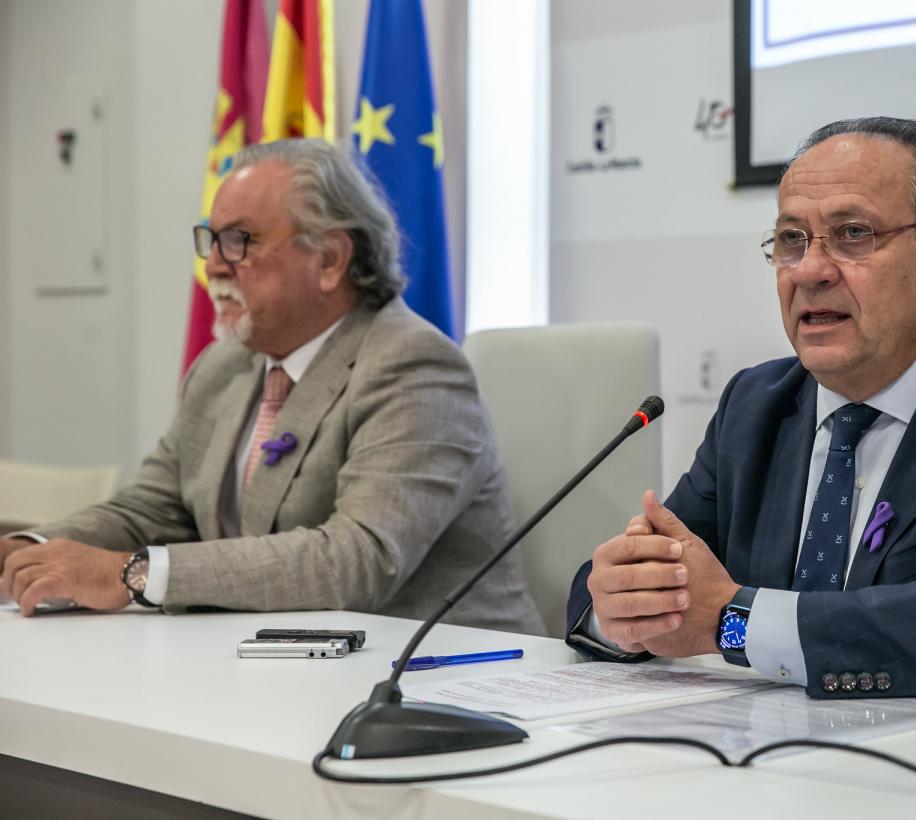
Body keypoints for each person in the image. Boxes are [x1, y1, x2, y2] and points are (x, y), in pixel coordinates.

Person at [565, 117, 916, 712]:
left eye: (853, 234)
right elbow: (647, 585)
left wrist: (734, 621)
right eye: (791, 239)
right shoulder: (758, 405)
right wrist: (622, 605)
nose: (809, 270)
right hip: (779, 755)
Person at [0, 139, 545, 635]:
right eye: (211, 240)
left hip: (446, 675)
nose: (214, 265)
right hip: (280, 664)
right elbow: (154, 508)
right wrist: (26, 553)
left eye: (239, 241)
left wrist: (132, 573)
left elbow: (357, 559)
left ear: (330, 259)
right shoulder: (224, 366)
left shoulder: (412, 364)